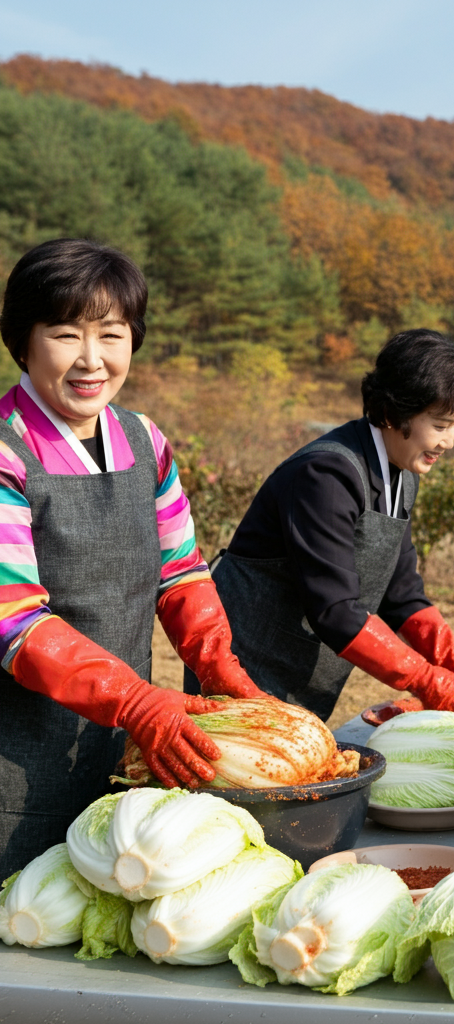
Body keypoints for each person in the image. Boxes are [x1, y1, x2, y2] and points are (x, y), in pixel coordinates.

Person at [0, 239, 263, 877]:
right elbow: (14, 621)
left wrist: (219, 666)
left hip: (127, 737)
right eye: (66, 334)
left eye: (111, 335)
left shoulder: (144, 440)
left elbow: (180, 573)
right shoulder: (7, 451)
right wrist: (140, 702)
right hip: (17, 750)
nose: (92, 360)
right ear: (22, 340)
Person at [187, 329, 454, 720]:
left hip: (306, 665)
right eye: (440, 425)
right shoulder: (326, 474)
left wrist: (451, 658)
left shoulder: (402, 472)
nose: (450, 441)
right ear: (392, 412)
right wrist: (423, 678)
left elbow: (401, 593)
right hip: (248, 663)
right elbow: (334, 610)